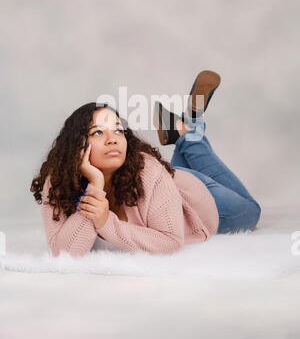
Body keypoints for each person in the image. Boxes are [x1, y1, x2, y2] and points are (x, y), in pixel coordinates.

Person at [30, 70, 261, 257]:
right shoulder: (60, 180)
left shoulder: (147, 170)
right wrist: (95, 186)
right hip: (167, 184)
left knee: (252, 211)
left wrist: (106, 223)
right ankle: (186, 128)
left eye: (118, 130)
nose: (112, 138)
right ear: (77, 145)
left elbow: (171, 241)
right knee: (173, 166)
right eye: (98, 132)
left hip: (193, 197)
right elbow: (65, 253)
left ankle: (188, 132)